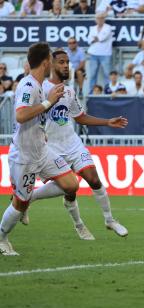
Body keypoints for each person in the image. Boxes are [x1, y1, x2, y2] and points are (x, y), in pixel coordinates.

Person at [19, 50, 129, 240]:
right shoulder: (40, 88)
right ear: (51, 65)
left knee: (94, 179)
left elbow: (80, 117)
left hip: (72, 144)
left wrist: (107, 122)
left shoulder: (69, 91)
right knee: (70, 188)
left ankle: (109, 220)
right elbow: (26, 113)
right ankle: (78, 225)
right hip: (51, 148)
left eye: (67, 62)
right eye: (61, 62)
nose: (65, 66)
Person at [0, 43, 75, 255]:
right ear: (45, 63)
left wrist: (50, 101)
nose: (54, 63)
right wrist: (47, 103)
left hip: (42, 151)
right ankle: (2, 237)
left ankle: (30, 197)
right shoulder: (28, 85)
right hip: (24, 156)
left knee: (71, 184)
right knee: (19, 205)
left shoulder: (39, 85)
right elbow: (21, 115)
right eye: (52, 60)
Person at [87, 13, 113, 93]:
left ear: (104, 19)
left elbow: (102, 38)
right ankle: (91, 93)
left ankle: (107, 92)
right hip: (93, 53)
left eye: (101, 18)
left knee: (107, 74)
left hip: (105, 54)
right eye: (98, 18)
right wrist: (95, 39)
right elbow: (89, 40)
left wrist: (96, 38)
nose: (100, 19)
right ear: (95, 19)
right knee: (92, 75)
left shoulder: (108, 27)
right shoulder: (93, 28)